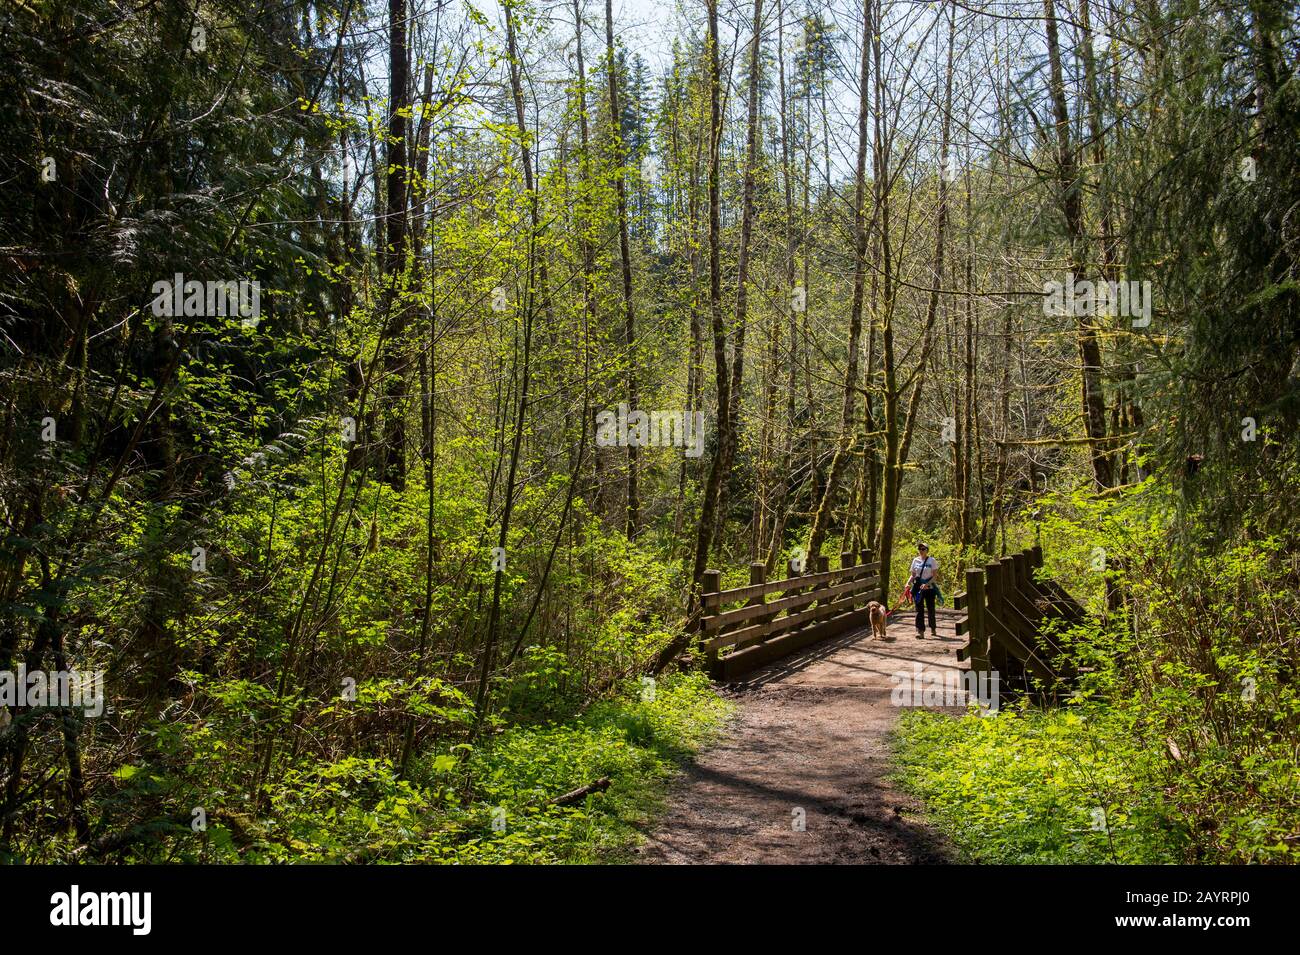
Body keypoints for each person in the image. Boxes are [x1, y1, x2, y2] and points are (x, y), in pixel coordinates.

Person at [909, 543, 939, 639]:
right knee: (919, 610)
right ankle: (920, 631)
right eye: (919, 549)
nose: (921, 550)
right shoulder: (915, 560)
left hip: (929, 588)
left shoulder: (932, 560)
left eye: (923, 549)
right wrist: (908, 583)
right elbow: (913, 575)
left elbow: (935, 576)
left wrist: (927, 584)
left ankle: (933, 627)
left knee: (931, 609)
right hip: (918, 588)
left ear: (927, 550)